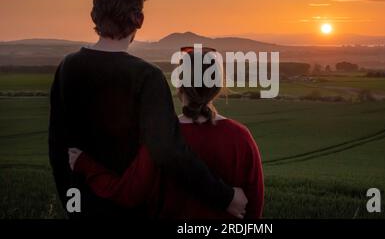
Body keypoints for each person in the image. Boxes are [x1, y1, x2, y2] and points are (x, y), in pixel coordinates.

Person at [48, 0, 247, 218]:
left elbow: (57, 147)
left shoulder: (68, 67)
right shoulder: (147, 77)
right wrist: (225, 197)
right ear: (138, 20)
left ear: (95, 16)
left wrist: (73, 206)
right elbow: (169, 152)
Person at [69, 48, 264, 218]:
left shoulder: (160, 137)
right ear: (217, 87)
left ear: (179, 86)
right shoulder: (240, 137)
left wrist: (85, 165)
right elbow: (253, 211)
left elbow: (128, 193)